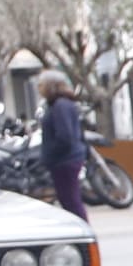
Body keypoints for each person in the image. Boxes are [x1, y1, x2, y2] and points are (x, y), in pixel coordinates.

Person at [36, 72, 89, 222]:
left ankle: (83, 234)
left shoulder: (60, 106)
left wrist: (51, 155)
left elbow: (65, 136)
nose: (39, 89)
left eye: (41, 85)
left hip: (65, 160)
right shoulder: (61, 104)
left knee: (71, 200)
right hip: (66, 159)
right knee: (68, 199)